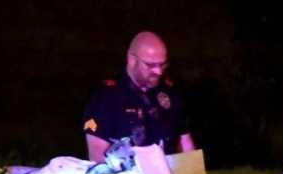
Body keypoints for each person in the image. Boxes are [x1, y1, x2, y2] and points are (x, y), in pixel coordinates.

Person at [82, 31, 197, 162]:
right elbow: (98, 156)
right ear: (132, 60)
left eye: (163, 64)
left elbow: (185, 142)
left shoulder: (169, 91)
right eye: (151, 65)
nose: (158, 72)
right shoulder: (106, 98)